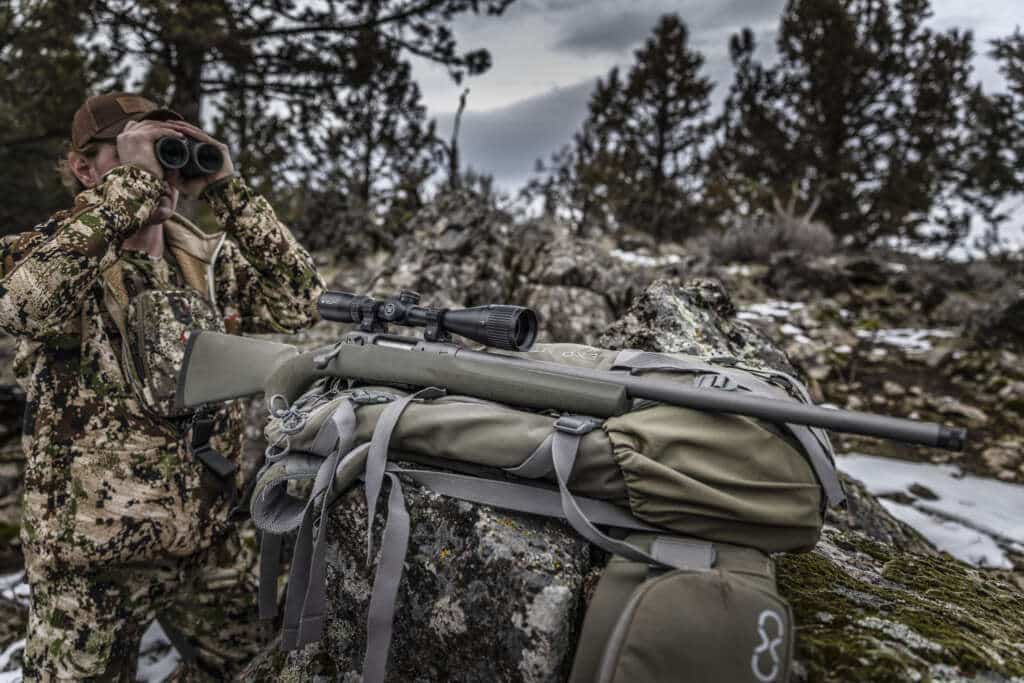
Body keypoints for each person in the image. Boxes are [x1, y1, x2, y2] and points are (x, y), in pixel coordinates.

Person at [0, 92, 325, 680]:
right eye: (143, 151)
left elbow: (300, 302)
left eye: (170, 152)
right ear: (83, 167)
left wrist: (228, 189)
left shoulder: (206, 264)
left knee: (273, 665)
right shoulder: (48, 256)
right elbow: (21, 305)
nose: (163, 171)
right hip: (94, 561)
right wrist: (123, 193)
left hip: (208, 543)